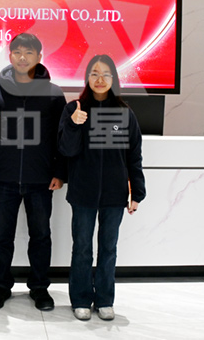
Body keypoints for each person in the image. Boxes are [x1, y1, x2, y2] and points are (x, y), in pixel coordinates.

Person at [0, 33, 67, 311]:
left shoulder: (54, 94)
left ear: (39, 57)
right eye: (17, 52)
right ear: (10, 56)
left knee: (41, 236)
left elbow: (61, 139)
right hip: (4, 178)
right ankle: (1, 286)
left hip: (41, 179)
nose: (22, 57)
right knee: (2, 237)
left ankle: (39, 288)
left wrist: (60, 172)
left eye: (29, 52)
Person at [58, 54, 146, 321]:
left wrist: (137, 193)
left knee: (109, 248)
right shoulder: (74, 108)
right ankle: (81, 299)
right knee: (82, 248)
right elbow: (65, 150)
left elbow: (133, 156)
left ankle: (105, 299)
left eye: (106, 74)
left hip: (114, 193)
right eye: (94, 73)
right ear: (87, 77)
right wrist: (74, 124)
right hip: (83, 192)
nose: (99, 79)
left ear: (113, 79)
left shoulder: (124, 113)